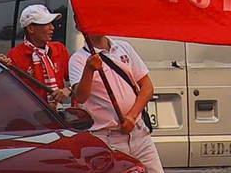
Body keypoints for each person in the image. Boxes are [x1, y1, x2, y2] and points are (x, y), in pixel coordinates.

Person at [68, 18, 163, 173]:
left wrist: (132, 117)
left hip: (138, 133)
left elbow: (147, 87)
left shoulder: (124, 48)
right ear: (79, 26)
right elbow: (80, 96)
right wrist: (89, 70)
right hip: (108, 138)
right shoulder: (77, 59)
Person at [6, 4, 71, 106]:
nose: (52, 28)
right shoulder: (15, 55)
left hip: (57, 114)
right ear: (31, 28)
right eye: (46, 24)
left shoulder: (59, 49)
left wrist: (68, 89)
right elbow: (10, 92)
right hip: (30, 114)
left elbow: (77, 79)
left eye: (52, 23)